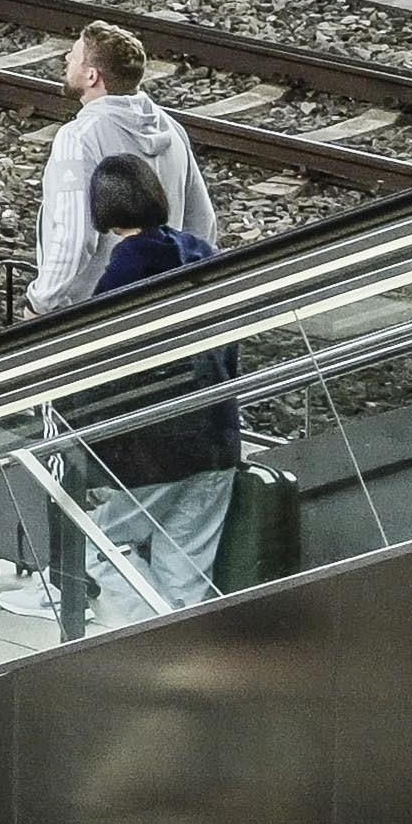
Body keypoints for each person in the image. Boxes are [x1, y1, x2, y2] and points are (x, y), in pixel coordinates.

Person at [45, 146, 241, 619]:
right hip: (218, 438)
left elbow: (97, 360)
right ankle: (190, 660)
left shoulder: (127, 268)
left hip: (156, 450)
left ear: (104, 211)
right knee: (186, 567)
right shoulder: (200, 251)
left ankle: (149, 646)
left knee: (103, 550)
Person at [26, 23, 202, 331]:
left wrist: (42, 303)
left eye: (75, 54)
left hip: (92, 315)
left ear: (92, 75)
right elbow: (201, 223)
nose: (67, 57)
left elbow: (74, 235)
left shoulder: (78, 139)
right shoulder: (171, 129)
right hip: (161, 302)